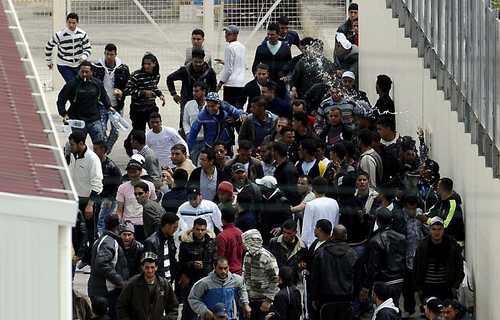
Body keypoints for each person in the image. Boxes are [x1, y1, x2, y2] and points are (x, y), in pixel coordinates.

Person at [68, 131, 103, 263]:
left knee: (90, 232)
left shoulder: (92, 159)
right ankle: (79, 255)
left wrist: (90, 204)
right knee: (76, 231)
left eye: (72, 144)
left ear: (81, 144)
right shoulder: (73, 155)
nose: (70, 147)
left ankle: (91, 260)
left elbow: (97, 183)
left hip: (89, 201)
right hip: (76, 199)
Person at [361, 208, 407, 307]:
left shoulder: (375, 240)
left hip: (384, 281)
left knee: (383, 308)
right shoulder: (401, 237)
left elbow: (373, 266)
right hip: (399, 279)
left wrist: (366, 286)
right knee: (394, 306)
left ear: (377, 221)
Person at [57, 61, 111, 143]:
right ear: (79, 71)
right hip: (77, 120)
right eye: (82, 72)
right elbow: (61, 100)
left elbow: (104, 97)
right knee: (77, 145)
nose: (84, 74)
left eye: (87, 72)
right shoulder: (71, 84)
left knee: (100, 143)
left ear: (92, 72)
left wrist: (109, 107)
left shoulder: (98, 83)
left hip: (94, 119)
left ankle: (100, 156)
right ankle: (69, 153)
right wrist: (64, 113)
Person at [88, 214, 128, 320]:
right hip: (104, 292)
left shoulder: (104, 240)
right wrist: (119, 281)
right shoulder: (109, 242)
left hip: (101, 291)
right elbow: (101, 263)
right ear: (118, 226)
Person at [117, 252, 179, 320]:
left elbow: (173, 308)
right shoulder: (132, 284)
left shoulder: (164, 285)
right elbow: (121, 306)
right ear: (142, 267)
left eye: (152, 267)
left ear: (156, 267)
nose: (150, 270)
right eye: (147, 267)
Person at [92, 43, 130, 152]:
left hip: (117, 106)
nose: (109, 57)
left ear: (115, 54)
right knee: (102, 130)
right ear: (104, 53)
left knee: (115, 131)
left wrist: (122, 92)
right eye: (107, 54)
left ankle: (106, 150)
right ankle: (102, 151)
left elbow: (129, 85)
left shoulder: (123, 68)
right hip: (102, 104)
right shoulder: (97, 67)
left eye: (111, 54)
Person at [415, 217, 464, 301]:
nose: (436, 232)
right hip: (428, 288)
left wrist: (455, 286)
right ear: (430, 230)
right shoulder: (423, 246)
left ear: (443, 230)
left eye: (439, 229)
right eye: (434, 229)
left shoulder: (452, 245)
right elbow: (416, 267)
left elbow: (459, 266)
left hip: (446, 288)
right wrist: (419, 288)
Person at [311, 225, 357, 314]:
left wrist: (314, 297)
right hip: (346, 298)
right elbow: (357, 277)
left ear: (332, 235)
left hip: (326, 298)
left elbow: (315, 278)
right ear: (346, 236)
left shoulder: (321, 253)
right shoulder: (353, 254)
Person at [178, 218, 217, 320]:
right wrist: (191, 264)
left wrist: (204, 265)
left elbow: (214, 261)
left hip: (206, 280)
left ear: (206, 230)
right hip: (190, 280)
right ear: (193, 229)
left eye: (202, 229)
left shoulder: (211, 243)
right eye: (198, 229)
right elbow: (181, 263)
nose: (200, 232)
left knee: (207, 309)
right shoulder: (185, 243)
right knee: (189, 310)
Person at [167, 48, 217, 128]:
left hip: (203, 103)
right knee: (185, 123)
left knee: (205, 124)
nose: (198, 64)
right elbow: (169, 78)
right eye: (195, 62)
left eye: (200, 62)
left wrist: (211, 101)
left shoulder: (210, 72)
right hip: (186, 101)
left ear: (203, 60)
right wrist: (174, 94)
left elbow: (214, 88)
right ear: (192, 60)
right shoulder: (184, 70)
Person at [241, 229, 280, 320]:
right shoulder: (247, 256)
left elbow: (275, 280)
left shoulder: (267, 257)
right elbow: (245, 276)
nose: (242, 245)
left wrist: (268, 301)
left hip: (264, 301)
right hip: (250, 300)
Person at [116, 158, 157, 242]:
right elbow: (119, 209)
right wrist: (118, 224)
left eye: (134, 172)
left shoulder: (150, 185)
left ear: (140, 171)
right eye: (130, 172)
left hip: (146, 224)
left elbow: (154, 205)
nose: (132, 174)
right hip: (129, 225)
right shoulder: (122, 187)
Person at [124, 52, 165, 131]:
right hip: (138, 109)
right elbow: (127, 91)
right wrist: (143, 93)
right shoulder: (136, 75)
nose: (146, 66)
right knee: (139, 133)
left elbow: (154, 87)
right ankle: (129, 143)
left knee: (156, 130)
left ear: (154, 64)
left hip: (151, 108)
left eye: (149, 64)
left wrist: (160, 95)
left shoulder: (156, 75)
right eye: (145, 64)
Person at [45, 12, 91, 82]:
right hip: (64, 64)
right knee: (72, 83)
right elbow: (48, 46)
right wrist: (49, 61)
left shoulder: (82, 34)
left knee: (81, 83)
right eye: (69, 22)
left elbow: (88, 48)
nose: (71, 25)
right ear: (66, 22)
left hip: (78, 64)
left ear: (77, 23)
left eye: (73, 23)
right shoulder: (60, 35)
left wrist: (83, 57)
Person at [423, 178, 465, 245]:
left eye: (438, 186)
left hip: (454, 243)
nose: (437, 188)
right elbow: (432, 212)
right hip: (442, 240)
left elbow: (446, 225)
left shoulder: (452, 204)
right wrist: (423, 216)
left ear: (442, 188)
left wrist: (428, 221)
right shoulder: (441, 201)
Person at [301, 177, 339, 247]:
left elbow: (306, 229)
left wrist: (304, 245)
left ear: (313, 188)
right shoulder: (334, 202)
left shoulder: (310, 205)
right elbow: (336, 224)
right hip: (330, 243)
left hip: (314, 245)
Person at [144, 213, 180, 283]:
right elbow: (149, 266)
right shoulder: (151, 242)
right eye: (174, 227)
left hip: (169, 280)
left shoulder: (170, 239)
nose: (175, 230)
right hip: (157, 282)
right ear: (167, 225)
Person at [216, 25, 246, 108]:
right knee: (238, 108)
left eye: (228, 34)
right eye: (226, 33)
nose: (226, 35)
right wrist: (224, 62)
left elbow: (229, 70)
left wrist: (220, 83)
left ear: (235, 35)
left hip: (231, 84)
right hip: (241, 83)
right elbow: (239, 63)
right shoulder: (242, 47)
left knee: (229, 110)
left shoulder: (229, 48)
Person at [255, 176, 291, 244]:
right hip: (263, 237)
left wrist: (280, 227)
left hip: (276, 239)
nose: (259, 188)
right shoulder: (262, 199)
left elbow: (289, 219)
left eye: (261, 186)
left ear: (267, 188)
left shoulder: (282, 201)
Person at [183, 82, 207, 163]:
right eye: (193, 91)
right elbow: (185, 121)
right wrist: (188, 133)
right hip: (194, 140)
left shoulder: (210, 104)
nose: (194, 93)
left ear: (203, 92)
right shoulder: (189, 104)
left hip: (207, 140)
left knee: (205, 161)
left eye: (197, 91)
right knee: (193, 162)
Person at [216, 206, 244, 274]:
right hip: (240, 270)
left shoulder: (221, 236)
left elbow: (220, 258)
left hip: (226, 273)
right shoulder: (240, 232)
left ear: (222, 219)